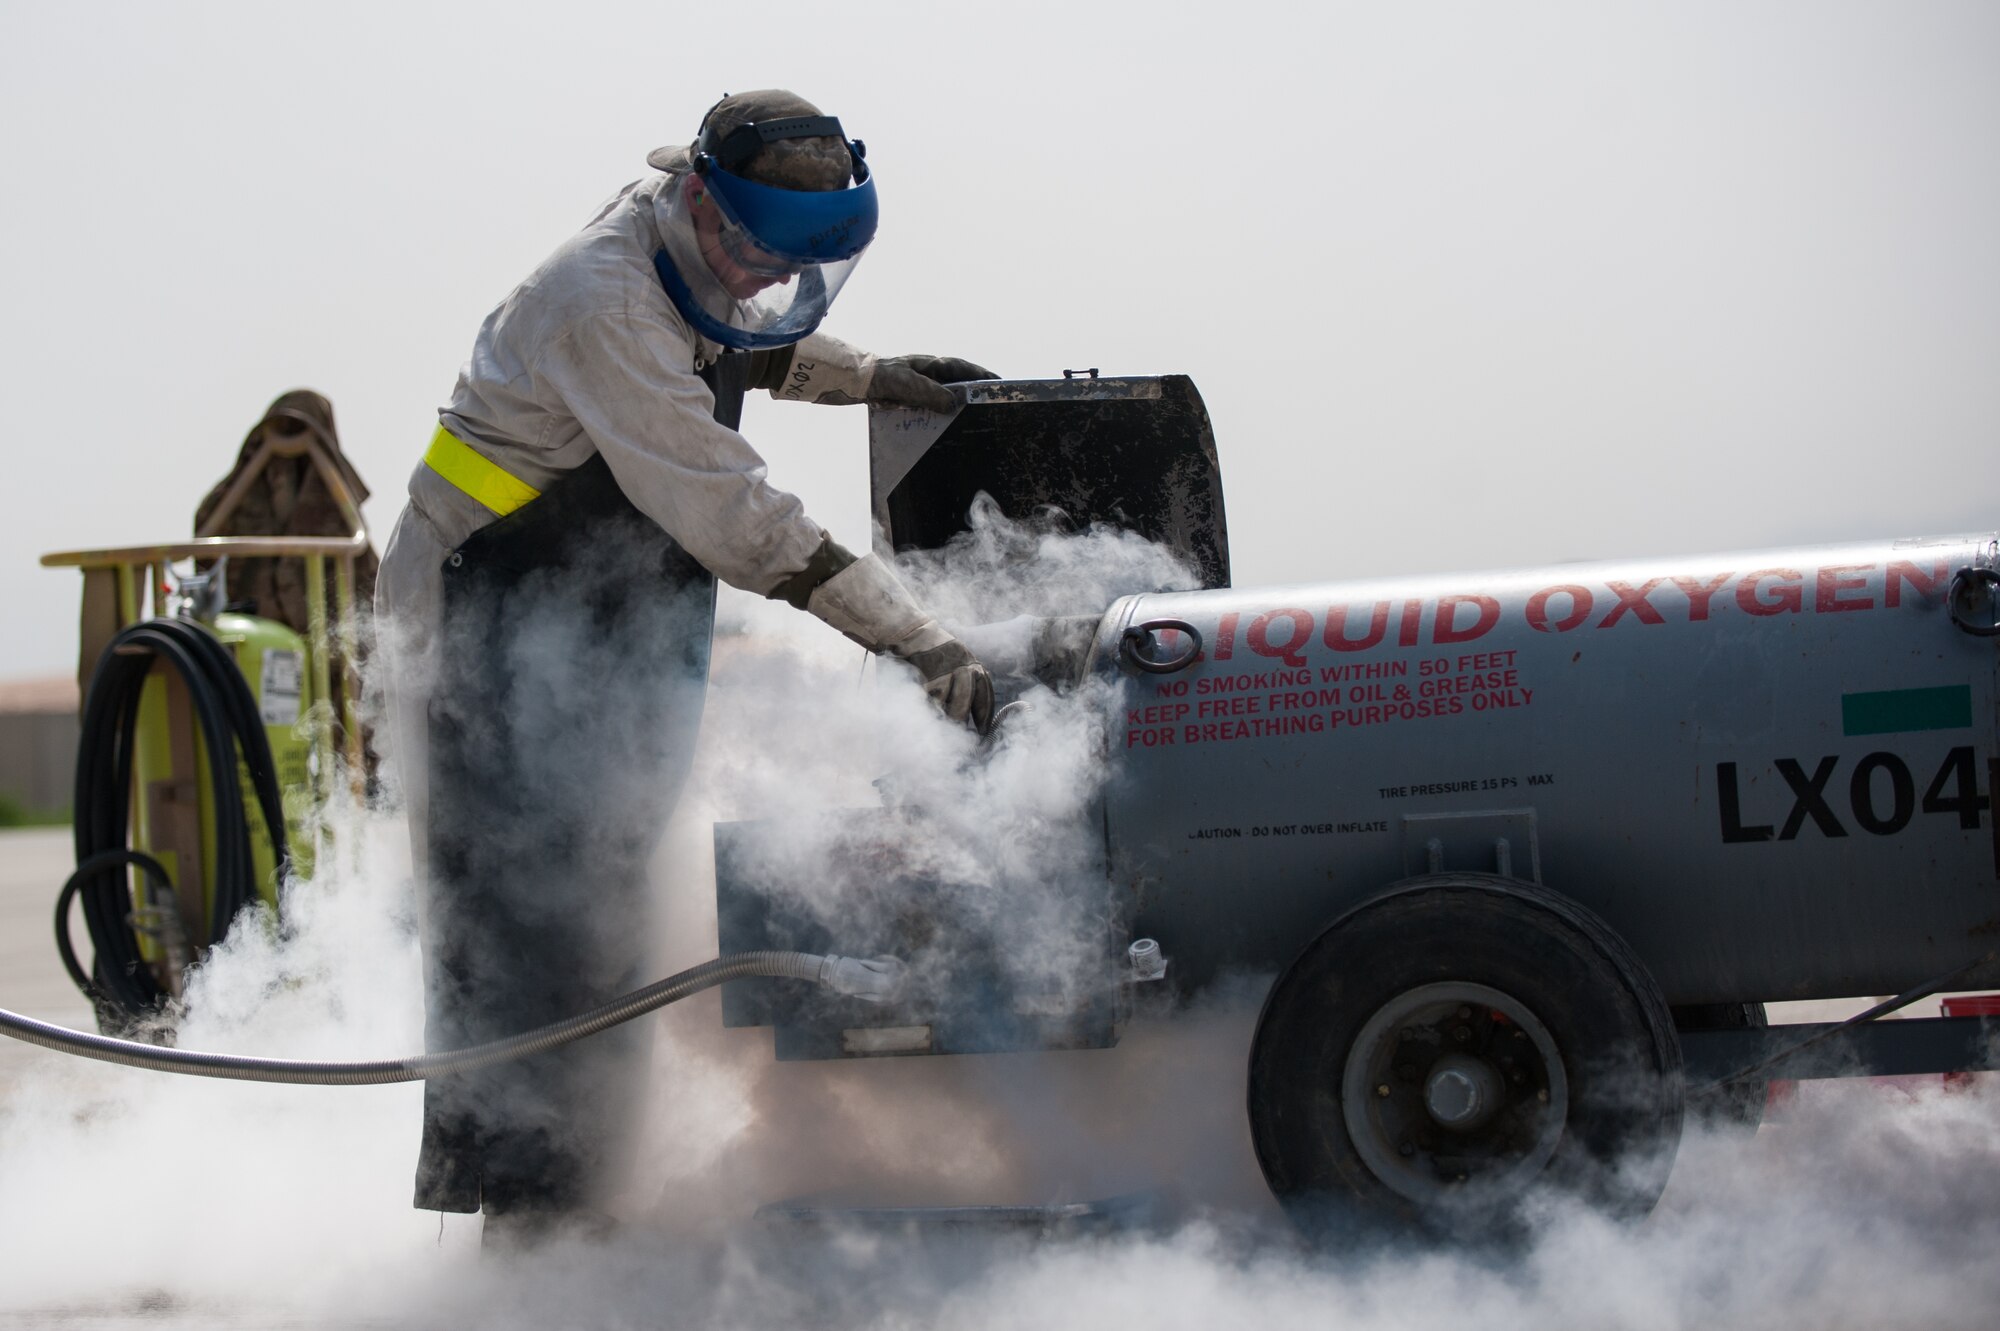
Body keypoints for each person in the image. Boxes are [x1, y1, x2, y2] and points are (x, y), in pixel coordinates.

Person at [372, 90, 995, 1242]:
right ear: (703, 201)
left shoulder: (686, 249)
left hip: (602, 601)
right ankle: (525, 1217)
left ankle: (588, 1186)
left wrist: (872, 374)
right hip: (487, 614)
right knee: (521, 914)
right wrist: (910, 635)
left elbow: (741, 340)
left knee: (610, 892)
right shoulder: (596, 298)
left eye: (795, 266)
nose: (766, 280)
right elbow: (734, 511)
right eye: (756, 252)